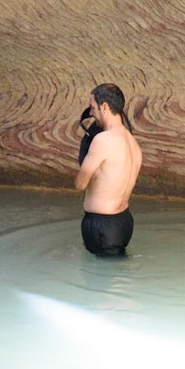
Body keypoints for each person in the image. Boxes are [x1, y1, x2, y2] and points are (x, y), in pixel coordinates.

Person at [74, 83, 142, 255]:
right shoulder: (133, 143)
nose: (90, 113)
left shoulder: (103, 140)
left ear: (104, 107)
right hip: (124, 222)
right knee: (114, 273)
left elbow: (80, 184)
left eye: (92, 107)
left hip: (101, 226)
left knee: (97, 279)